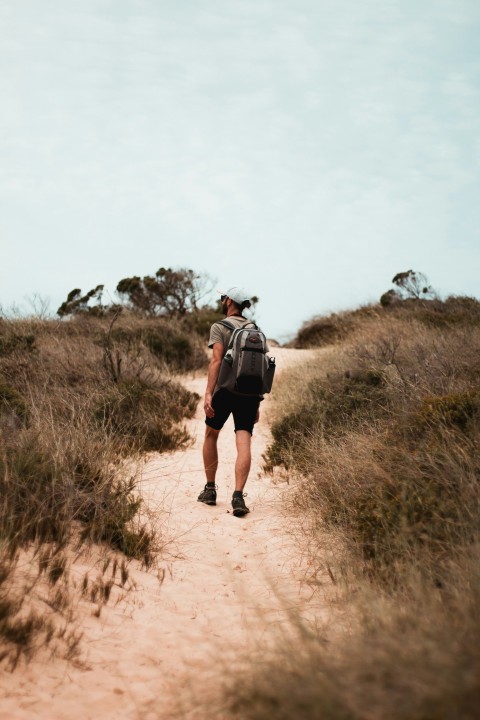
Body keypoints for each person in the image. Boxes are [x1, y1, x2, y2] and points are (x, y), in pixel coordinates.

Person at [197, 287, 266, 517]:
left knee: (210, 435)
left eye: (222, 297)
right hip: (249, 394)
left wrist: (209, 393)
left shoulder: (219, 327)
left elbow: (216, 361)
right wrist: (257, 402)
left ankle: (210, 490)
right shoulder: (254, 330)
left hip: (225, 391)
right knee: (243, 443)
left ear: (228, 301)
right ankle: (238, 496)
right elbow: (260, 369)